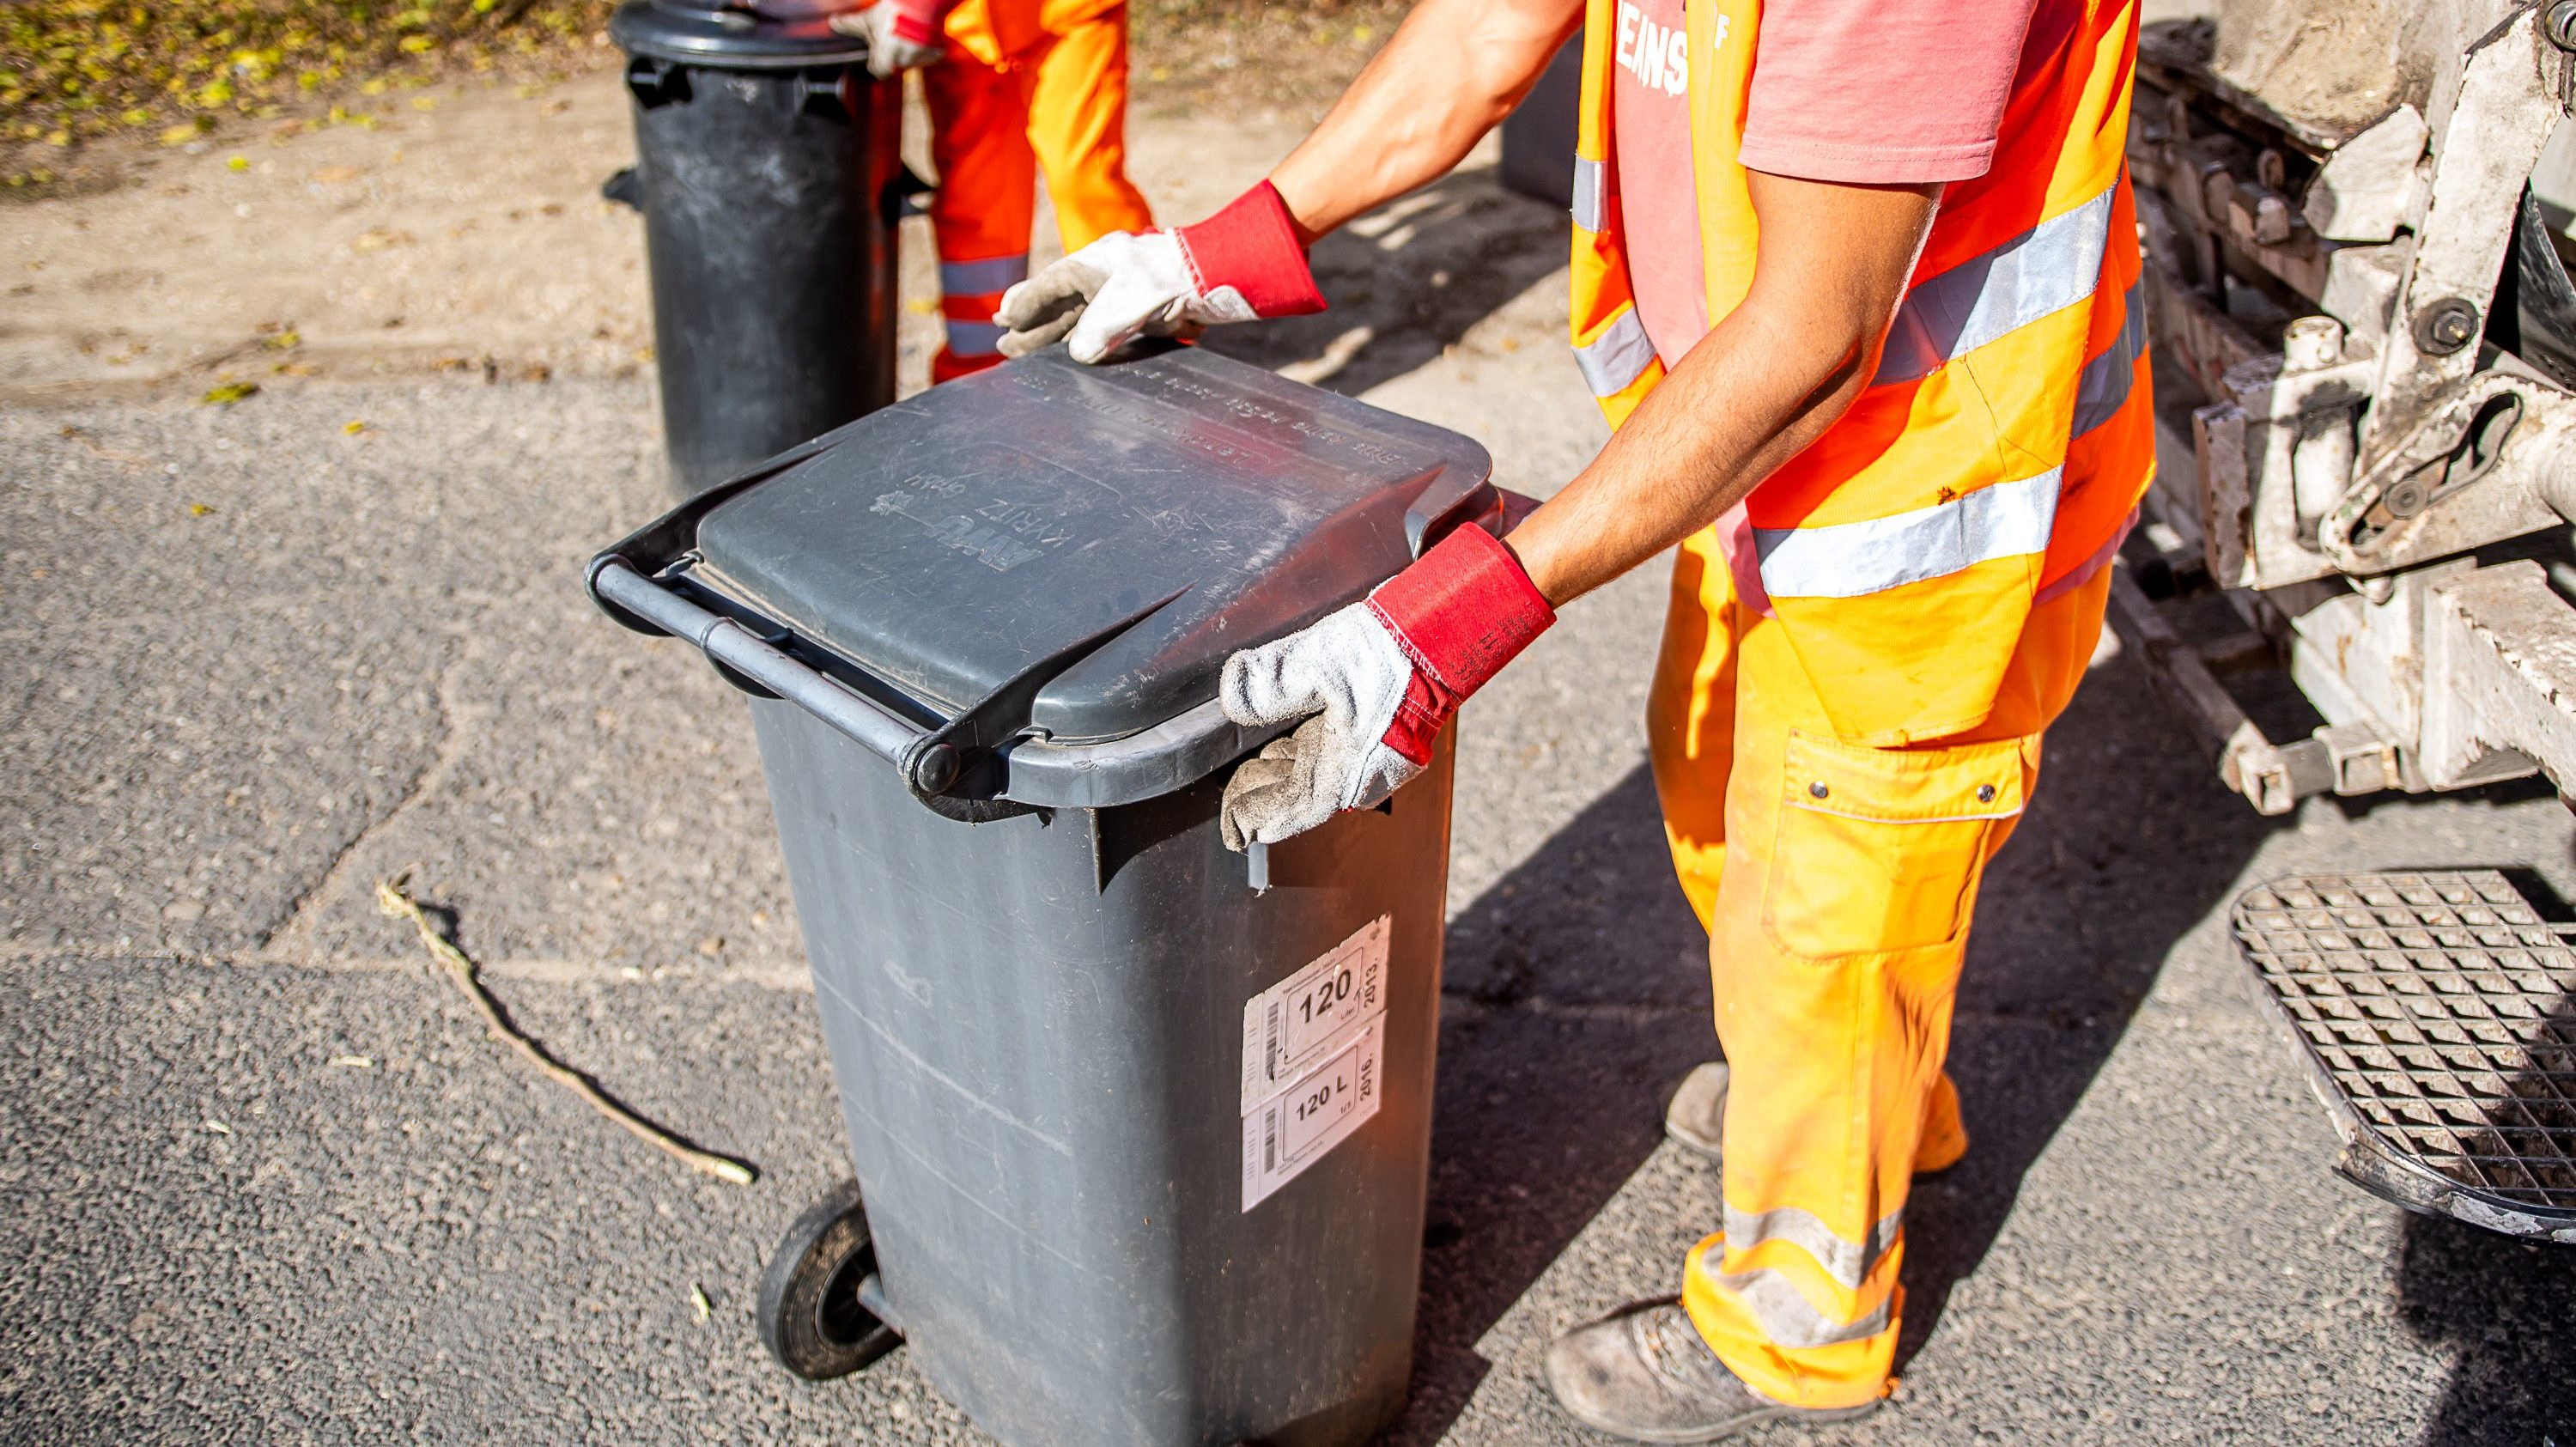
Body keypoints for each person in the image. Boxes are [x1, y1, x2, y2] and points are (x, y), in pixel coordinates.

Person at [994, 0, 2149, 1438]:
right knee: (1732, 823)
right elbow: (1481, 38)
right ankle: (1858, 1108)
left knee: (1837, 905)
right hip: (1753, 459)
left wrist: (1449, 625)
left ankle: (1803, 1316)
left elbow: (1815, 334)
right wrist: (1210, 255)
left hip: (1923, 502)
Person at [841, 0, 1152, 382]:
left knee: (1086, 184)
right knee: (976, 211)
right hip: (965, 33)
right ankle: (978, 376)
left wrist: (917, 8)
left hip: (1066, 16)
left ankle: (1140, 345)